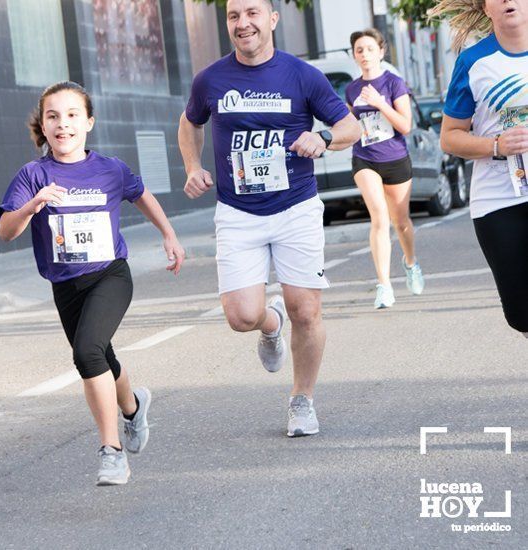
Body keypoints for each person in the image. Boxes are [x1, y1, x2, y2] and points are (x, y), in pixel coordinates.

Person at [178, 0, 360, 437]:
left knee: (307, 310)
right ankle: (268, 322)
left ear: (272, 20)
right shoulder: (211, 79)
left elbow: (352, 126)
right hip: (239, 212)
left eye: (252, 13)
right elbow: (189, 123)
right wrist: (191, 166)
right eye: (234, 16)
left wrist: (323, 137)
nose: (243, 24)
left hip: (296, 207)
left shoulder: (301, 75)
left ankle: (302, 400)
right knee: (242, 316)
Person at [0, 81, 185, 486]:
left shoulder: (109, 169)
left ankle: (111, 451)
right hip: (66, 285)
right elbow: (6, 231)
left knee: (87, 353)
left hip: (110, 275)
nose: (62, 124)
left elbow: (141, 195)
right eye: (53, 117)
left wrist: (168, 234)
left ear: (88, 123)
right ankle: (134, 407)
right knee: (100, 354)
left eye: (71, 115)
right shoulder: (33, 175)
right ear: (43, 126)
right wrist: (34, 204)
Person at [432, 0, 528, 337]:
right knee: (521, 313)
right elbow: (450, 138)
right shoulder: (473, 61)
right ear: (486, 8)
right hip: (500, 199)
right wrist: (496, 145)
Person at [346, 29, 425, 309]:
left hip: (395, 158)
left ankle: (411, 263)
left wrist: (380, 103)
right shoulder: (352, 89)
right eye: (359, 50)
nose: (364, 55)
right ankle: (384, 286)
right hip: (365, 158)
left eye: (369, 49)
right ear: (354, 56)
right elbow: (351, 125)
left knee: (400, 222)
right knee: (378, 217)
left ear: (381, 51)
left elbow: (406, 125)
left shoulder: (394, 83)